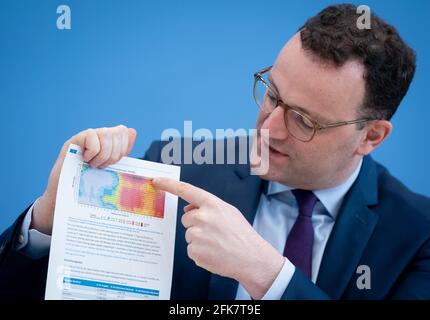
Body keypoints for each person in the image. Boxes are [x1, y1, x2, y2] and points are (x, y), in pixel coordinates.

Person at [1, 4, 429, 300]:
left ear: (371, 136)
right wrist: (51, 223)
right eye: (272, 95)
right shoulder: (174, 170)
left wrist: (267, 275)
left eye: (305, 120)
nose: (270, 127)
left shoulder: (418, 236)